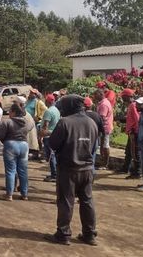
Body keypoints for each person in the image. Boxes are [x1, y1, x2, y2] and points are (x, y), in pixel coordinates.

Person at [45, 95, 98, 246]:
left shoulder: (65, 122)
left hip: (69, 169)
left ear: (69, 106)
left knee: (66, 202)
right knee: (87, 201)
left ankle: (63, 234)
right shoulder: (91, 122)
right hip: (87, 169)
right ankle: (89, 235)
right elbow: (94, 146)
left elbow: (53, 144)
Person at [0, 103, 33, 201]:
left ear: (13, 112)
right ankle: (24, 194)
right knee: (23, 171)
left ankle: (9, 194)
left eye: (10, 111)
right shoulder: (27, 122)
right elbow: (31, 126)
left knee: (10, 171)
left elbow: (0, 135)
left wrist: (6, 141)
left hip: (10, 145)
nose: (9, 113)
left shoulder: (7, 122)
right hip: (24, 146)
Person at [118, 89, 140, 179]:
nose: (122, 98)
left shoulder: (133, 106)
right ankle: (125, 168)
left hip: (134, 133)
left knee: (134, 153)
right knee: (129, 152)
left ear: (128, 96)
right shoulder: (133, 105)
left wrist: (135, 132)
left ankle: (137, 172)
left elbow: (137, 119)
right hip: (132, 132)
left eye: (123, 96)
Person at [41, 94, 61, 182]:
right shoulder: (56, 110)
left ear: (48, 101)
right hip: (55, 134)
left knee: (51, 156)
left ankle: (54, 175)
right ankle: (55, 173)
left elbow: (46, 125)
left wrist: (42, 135)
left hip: (48, 136)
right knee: (54, 155)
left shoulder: (48, 111)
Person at [93, 89, 113, 170]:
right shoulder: (103, 103)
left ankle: (105, 164)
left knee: (105, 145)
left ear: (101, 94)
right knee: (103, 145)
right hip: (104, 127)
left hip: (105, 128)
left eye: (96, 95)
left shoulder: (104, 104)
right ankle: (103, 163)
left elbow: (101, 118)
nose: (94, 97)